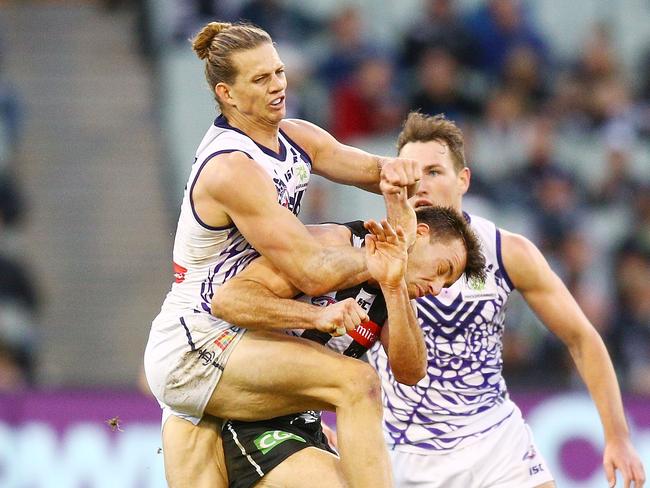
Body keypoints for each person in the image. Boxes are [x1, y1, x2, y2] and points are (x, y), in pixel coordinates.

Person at [143, 21, 422, 488]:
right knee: (357, 383)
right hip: (198, 342)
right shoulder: (232, 169)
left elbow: (378, 171)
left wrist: (404, 174)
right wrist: (384, 260)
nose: (277, 86)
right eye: (260, 79)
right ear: (226, 94)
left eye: (278, 72)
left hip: (245, 328)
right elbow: (312, 272)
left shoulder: (295, 137)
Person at [366, 111, 646, 487]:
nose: (422, 185)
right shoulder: (372, 251)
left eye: (434, 172)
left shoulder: (504, 251)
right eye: (413, 174)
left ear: (463, 180)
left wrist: (618, 437)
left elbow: (581, 337)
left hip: (497, 442)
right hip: (405, 449)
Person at [210, 191, 486, 488]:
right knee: (361, 384)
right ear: (418, 233)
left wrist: (393, 287)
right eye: (442, 270)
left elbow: (411, 372)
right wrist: (313, 316)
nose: (436, 287)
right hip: (247, 414)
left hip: (304, 421)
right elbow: (229, 301)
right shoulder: (332, 243)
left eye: (446, 284)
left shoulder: (396, 295)